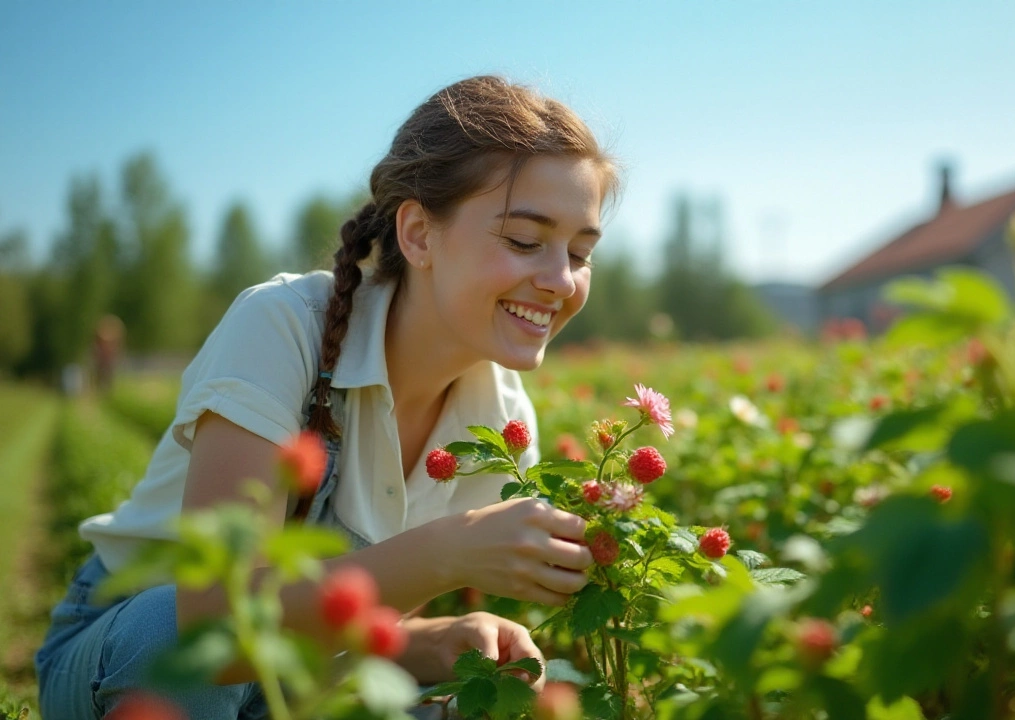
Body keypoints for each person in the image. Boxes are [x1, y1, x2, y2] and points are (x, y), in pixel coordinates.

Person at [35, 75, 619, 718]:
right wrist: (449, 549)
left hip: (287, 677)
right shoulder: (284, 326)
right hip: (125, 659)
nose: (560, 280)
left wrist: (432, 641)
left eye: (581, 252)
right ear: (419, 234)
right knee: (167, 634)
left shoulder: (503, 422)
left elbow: (334, 630)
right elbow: (212, 634)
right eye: (525, 241)